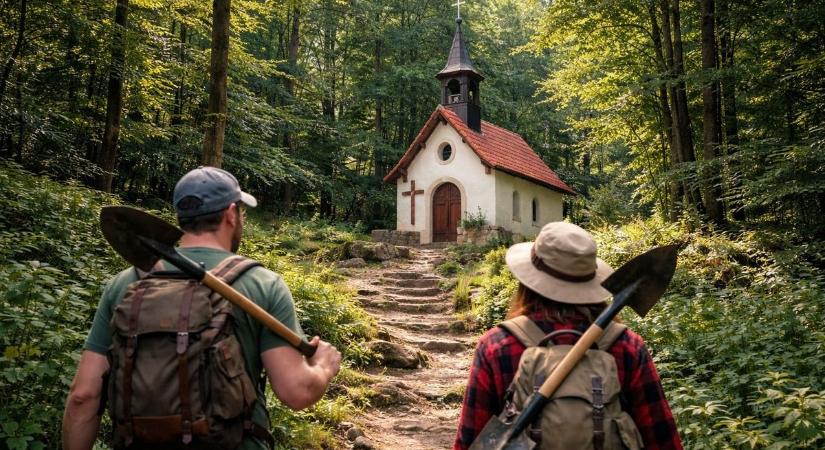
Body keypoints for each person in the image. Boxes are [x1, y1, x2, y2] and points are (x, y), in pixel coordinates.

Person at [62, 166, 342, 450]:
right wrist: (323, 366)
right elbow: (296, 392)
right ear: (231, 214)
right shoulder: (263, 284)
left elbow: (84, 396)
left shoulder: (126, 284)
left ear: (181, 218)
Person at [454, 221, 682, 450]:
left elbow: (470, 440)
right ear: (592, 278)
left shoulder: (497, 346)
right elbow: (663, 441)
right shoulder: (628, 348)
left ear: (528, 281)